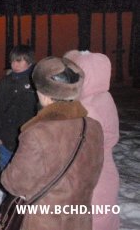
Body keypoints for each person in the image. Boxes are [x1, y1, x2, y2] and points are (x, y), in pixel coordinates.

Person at [1, 56, 104, 230]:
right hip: (79, 221)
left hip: (45, 222)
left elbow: (14, 183)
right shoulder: (93, 127)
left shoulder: (37, 132)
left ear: (44, 93)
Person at [64, 50, 120, 230]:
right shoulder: (103, 96)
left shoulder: (85, 108)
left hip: (90, 175)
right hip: (103, 170)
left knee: (92, 219)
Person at [0, 44, 37, 170]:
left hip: (28, 139)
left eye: (18, 61)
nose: (14, 65)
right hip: (6, 138)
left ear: (29, 61)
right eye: (12, 61)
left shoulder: (36, 82)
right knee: (6, 173)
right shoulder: (6, 82)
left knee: (25, 173)